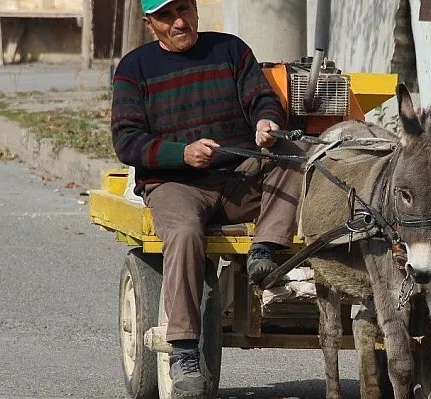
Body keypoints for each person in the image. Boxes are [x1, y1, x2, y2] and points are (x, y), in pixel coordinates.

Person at [110, 0, 307, 396]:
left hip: (238, 175)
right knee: (183, 233)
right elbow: (127, 141)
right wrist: (181, 154)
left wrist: (267, 122)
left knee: (294, 154)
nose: (180, 22)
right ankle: (183, 350)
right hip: (175, 184)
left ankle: (264, 252)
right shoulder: (134, 69)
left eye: (185, 9)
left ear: (197, 9)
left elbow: (262, 100)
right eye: (167, 16)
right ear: (151, 25)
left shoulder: (231, 50)